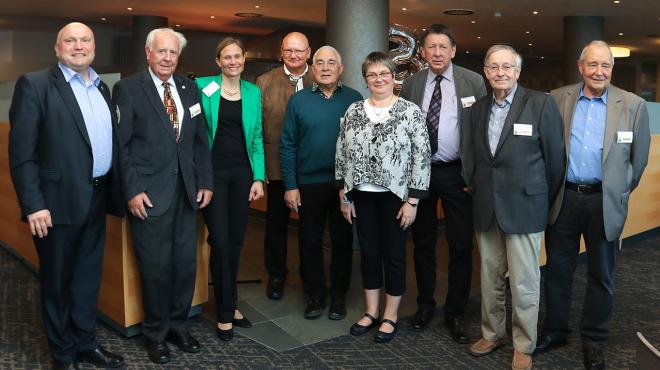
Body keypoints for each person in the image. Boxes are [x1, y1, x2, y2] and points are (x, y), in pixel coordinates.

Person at [8, 22, 124, 370]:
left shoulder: (102, 87)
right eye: (70, 41)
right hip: (54, 206)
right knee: (57, 284)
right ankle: (63, 355)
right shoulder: (35, 85)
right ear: (57, 49)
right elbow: (22, 153)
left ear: (93, 47)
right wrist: (33, 204)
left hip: (96, 199)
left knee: (87, 281)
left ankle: (85, 343)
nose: (78, 46)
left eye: (85, 40)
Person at [535, 40, 650, 370]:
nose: (600, 72)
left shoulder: (633, 105)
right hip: (565, 198)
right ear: (580, 66)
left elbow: (637, 161)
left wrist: (619, 191)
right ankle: (556, 331)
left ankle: (594, 340)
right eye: (594, 65)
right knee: (557, 271)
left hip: (604, 202)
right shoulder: (558, 98)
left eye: (606, 66)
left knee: (602, 275)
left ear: (612, 70)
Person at [112, 28, 213, 364]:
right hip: (149, 196)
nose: (168, 58)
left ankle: (178, 326)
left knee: (185, 266)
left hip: (186, 192)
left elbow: (199, 140)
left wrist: (205, 181)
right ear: (148, 52)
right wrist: (132, 189)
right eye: (162, 52)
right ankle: (155, 333)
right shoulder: (128, 89)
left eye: (173, 53)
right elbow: (120, 147)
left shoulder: (188, 87)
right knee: (155, 269)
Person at [466, 45, 564, 370]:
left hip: (525, 206)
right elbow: (471, 157)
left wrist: (540, 200)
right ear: (485, 71)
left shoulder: (540, 103)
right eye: (494, 67)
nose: (500, 73)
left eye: (507, 67)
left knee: (524, 281)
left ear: (518, 72)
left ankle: (524, 343)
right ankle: (492, 333)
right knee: (490, 276)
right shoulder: (478, 108)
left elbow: (555, 161)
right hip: (486, 207)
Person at [399, 24, 487, 342]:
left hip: (457, 173)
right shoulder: (411, 83)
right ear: (423, 51)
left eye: (442, 47)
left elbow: (481, 132)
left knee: (460, 246)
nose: (436, 53)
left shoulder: (473, 81)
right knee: (422, 243)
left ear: (453, 50)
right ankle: (425, 306)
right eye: (431, 47)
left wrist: (474, 175)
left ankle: (456, 313)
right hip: (420, 173)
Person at [335, 52, 430, 343]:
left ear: (393, 77)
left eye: (384, 74)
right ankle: (372, 311)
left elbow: (422, 157)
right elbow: (341, 152)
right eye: (372, 75)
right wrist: (344, 195)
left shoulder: (410, 111)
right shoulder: (353, 110)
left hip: (396, 198)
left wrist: (412, 201)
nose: (379, 79)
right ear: (366, 80)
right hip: (361, 196)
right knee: (369, 254)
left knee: (394, 256)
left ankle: (391, 315)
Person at [280, 45, 362, 320]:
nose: (325, 67)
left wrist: (352, 187)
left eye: (331, 63)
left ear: (341, 69)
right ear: (312, 69)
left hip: (343, 186)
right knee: (309, 242)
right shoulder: (299, 100)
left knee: (342, 242)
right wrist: (290, 185)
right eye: (320, 63)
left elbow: (362, 147)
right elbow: (288, 144)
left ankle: (338, 295)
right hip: (308, 184)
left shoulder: (355, 99)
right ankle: (315, 294)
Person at [194, 37, 265, 341]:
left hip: (242, 174)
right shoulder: (203, 87)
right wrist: (200, 177)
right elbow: (195, 135)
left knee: (235, 241)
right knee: (220, 241)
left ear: (243, 60)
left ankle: (230, 303)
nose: (233, 61)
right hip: (213, 174)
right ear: (218, 61)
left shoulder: (252, 92)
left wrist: (258, 178)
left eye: (238, 56)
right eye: (227, 57)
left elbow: (257, 137)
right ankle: (224, 312)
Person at [255, 32, 314, 300]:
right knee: (276, 226)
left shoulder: (322, 78)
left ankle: (309, 275)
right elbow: (258, 129)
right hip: (278, 168)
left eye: (299, 51)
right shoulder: (264, 82)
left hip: (314, 169)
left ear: (309, 52)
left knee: (311, 226)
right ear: (281, 51)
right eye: (289, 50)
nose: (294, 55)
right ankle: (276, 275)